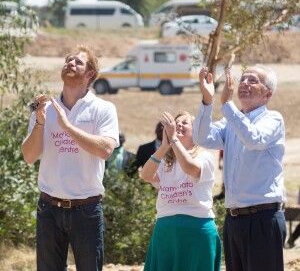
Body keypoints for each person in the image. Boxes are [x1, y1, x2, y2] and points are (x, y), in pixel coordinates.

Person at [21, 45, 119, 271]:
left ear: (90, 74)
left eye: (78, 62)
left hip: (87, 210)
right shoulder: (45, 109)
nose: (70, 64)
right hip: (48, 208)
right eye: (68, 61)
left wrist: (67, 127)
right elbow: (29, 156)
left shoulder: (103, 109)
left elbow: (105, 149)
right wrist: (40, 122)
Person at [192, 65, 286, 271]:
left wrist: (227, 105)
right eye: (242, 79)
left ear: (267, 94)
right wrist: (208, 101)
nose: (244, 83)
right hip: (234, 220)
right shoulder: (230, 122)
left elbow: (253, 139)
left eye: (253, 80)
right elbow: (200, 138)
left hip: (263, 218)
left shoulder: (272, 119)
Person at [140, 111, 221, 271]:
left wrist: (174, 139)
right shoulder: (165, 161)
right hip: (166, 231)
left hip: (196, 230)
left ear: (195, 131)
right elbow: (146, 175)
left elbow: (190, 168)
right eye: (176, 123)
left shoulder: (205, 157)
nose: (179, 125)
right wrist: (164, 146)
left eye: (185, 122)